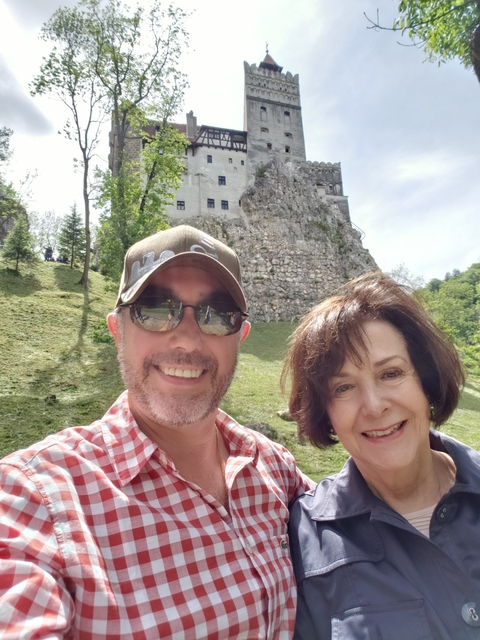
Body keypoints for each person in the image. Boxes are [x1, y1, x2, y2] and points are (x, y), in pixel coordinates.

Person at [0, 225, 313, 639]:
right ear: (118, 329)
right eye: (153, 308)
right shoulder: (33, 496)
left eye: (217, 315)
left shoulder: (275, 467)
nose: (186, 337)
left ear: (241, 336)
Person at [283, 273, 480, 639]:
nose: (373, 407)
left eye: (391, 374)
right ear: (325, 412)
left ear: (427, 382)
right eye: (343, 388)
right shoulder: (304, 538)